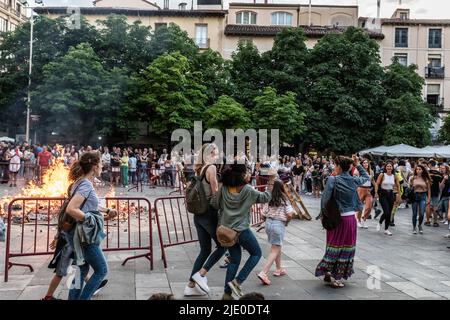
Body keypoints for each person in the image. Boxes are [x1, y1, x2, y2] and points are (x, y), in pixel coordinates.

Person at [65, 151, 118, 300]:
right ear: (94, 166)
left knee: (81, 271)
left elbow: (88, 203)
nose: (102, 166)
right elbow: (72, 208)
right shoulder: (86, 184)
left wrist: (107, 210)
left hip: (77, 234)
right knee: (101, 270)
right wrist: (90, 219)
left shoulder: (79, 182)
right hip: (84, 235)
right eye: (101, 164)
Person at [216, 163, 272, 300]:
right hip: (241, 230)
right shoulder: (247, 189)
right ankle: (238, 281)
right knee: (256, 253)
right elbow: (265, 197)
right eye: (246, 171)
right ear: (242, 175)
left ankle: (226, 294)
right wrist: (270, 184)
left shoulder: (224, 188)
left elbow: (215, 204)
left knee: (234, 260)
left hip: (226, 230)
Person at [315, 155, 369, 288]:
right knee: (346, 247)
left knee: (333, 246)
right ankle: (334, 274)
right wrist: (358, 164)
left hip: (337, 218)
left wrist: (323, 214)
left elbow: (325, 198)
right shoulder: (354, 180)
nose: (334, 167)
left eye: (335, 165)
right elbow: (367, 177)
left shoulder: (333, 179)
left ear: (339, 166)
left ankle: (332, 275)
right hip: (350, 218)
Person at [184, 143, 226, 297]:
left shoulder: (199, 168)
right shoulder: (211, 168)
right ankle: (200, 275)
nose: (218, 155)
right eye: (216, 152)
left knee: (205, 250)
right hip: (209, 213)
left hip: (198, 214)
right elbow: (215, 193)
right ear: (210, 154)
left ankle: (190, 285)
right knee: (223, 246)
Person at [257, 180, 294, 285]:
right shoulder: (284, 198)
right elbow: (290, 214)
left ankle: (278, 269)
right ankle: (264, 273)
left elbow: (263, 214)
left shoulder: (269, 198)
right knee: (274, 249)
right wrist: (287, 222)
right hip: (278, 224)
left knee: (277, 246)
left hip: (269, 223)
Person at [375, 161, 401, 236]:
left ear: (392, 167)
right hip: (383, 194)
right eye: (387, 166)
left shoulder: (394, 175)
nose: (389, 168)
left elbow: (398, 185)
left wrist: (399, 195)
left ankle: (386, 229)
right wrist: (376, 193)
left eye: (390, 166)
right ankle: (380, 222)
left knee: (389, 213)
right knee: (386, 212)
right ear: (385, 167)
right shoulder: (382, 174)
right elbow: (377, 184)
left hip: (391, 194)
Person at [409, 165, 431, 234]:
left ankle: (420, 225)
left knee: (421, 213)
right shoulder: (412, 178)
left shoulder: (426, 179)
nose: (418, 170)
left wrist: (429, 198)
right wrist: (411, 185)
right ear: (415, 170)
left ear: (423, 170)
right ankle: (414, 227)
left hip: (423, 196)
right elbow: (410, 187)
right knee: (414, 213)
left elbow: (429, 190)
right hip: (415, 196)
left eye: (420, 169)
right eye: (417, 169)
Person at [355, 159, 376, 229]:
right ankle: (358, 220)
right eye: (364, 163)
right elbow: (354, 177)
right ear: (362, 164)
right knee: (360, 207)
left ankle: (364, 219)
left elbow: (373, 181)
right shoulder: (359, 171)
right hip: (360, 189)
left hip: (368, 189)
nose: (366, 164)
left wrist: (376, 189)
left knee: (369, 206)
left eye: (367, 163)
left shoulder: (371, 171)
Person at [425, 160, 442, 227]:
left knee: (428, 206)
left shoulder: (427, 172)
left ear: (429, 164)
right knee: (435, 207)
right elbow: (441, 185)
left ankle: (428, 221)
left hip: (427, 192)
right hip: (436, 192)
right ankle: (435, 222)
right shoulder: (439, 173)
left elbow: (425, 182)